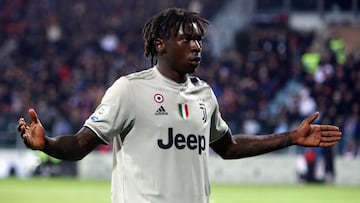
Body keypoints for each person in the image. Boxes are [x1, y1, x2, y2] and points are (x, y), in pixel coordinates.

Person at [17, 7, 342, 203]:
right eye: (187, 39)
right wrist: (47, 144)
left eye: (199, 39)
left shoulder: (205, 95)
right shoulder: (129, 89)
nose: (197, 46)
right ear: (160, 44)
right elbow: (79, 144)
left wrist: (291, 137)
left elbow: (227, 147)